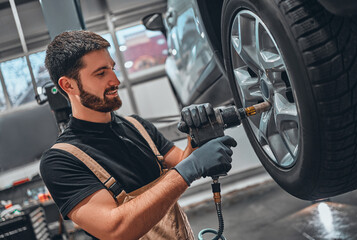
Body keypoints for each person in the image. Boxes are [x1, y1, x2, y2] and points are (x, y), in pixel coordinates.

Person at [40, 30, 237, 240]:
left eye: (112, 69)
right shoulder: (60, 161)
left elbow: (182, 163)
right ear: (67, 85)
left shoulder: (137, 126)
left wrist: (196, 136)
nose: (115, 80)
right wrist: (190, 167)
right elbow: (115, 229)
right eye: (101, 73)